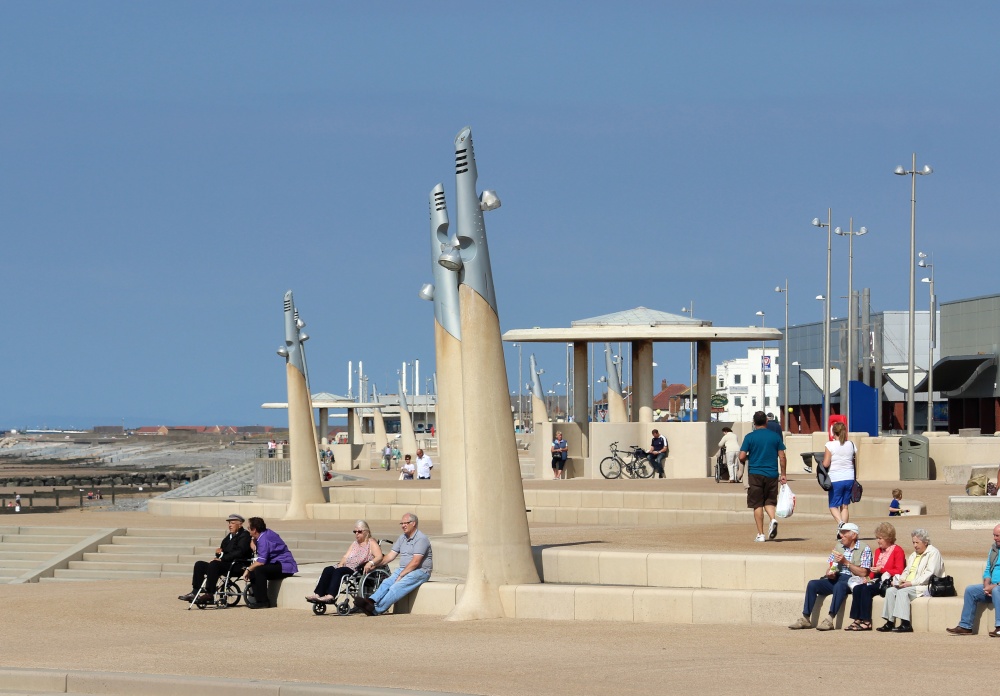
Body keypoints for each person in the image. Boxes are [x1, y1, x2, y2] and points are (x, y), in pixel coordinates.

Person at [789, 522, 872, 630]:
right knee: (812, 584)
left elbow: (864, 573)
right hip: (837, 578)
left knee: (840, 586)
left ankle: (829, 619)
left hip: (852, 581)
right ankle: (805, 618)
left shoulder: (864, 548)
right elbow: (832, 566)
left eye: (844, 533)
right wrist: (830, 573)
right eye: (840, 533)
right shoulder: (838, 546)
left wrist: (846, 562)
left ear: (854, 535)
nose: (841, 536)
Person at [354, 512, 432, 616]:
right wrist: (374, 564)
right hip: (405, 569)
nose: (403, 525)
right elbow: (390, 556)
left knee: (396, 586)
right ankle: (371, 601)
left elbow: (416, 562)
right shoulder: (402, 538)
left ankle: (376, 610)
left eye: (406, 523)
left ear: (413, 523)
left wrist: (401, 575)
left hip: (420, 571)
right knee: (387, 582)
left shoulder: (421, 539)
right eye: (402, 523)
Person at [877, 528, 945, 632]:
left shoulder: (933, 553)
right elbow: (906, 571)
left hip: (926, 586)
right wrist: (901, 581)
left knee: (903, 592)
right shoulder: (914, 555)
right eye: (913, 542)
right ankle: (890, 622)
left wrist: (911, 583)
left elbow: (930, 574)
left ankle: (905, 623)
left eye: (917, 542)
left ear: (925, 542)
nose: (915, 545)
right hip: (910, 585)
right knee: (890, 591)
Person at [178, 513, 252, 603]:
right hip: (225, 564)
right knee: (199, 564)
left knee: (214, 564)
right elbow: (222, 552)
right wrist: (218, 553)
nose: (230, 525)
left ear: (240, 524)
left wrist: (222, 558)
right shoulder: (228, 537)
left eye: (232, 523)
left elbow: (240, 552)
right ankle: (195, 591)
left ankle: (210, 593)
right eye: (229, 523)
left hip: (238, 565)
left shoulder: (244, 535)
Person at [846, 522, 906, 631]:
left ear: (888, 538)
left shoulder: (898, 550)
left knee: (866, 590)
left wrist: (882, 569)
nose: (878, 541)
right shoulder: (878, 551)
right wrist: (868, 578)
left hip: (888, 580)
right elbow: (873, 569)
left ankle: (867, 621)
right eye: (877, 538)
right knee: (858, 587)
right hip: (877, 578)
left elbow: (899, 570)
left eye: (880, 538)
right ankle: (857, 619)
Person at [305, 520, 383, 604]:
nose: (357, 533)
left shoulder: (371, 543)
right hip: (346, 566)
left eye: (359, 531)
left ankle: (331, 596)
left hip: (356, 569)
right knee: (328, 569)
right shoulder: (355, 543)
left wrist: (370, 563)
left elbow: (379, 556)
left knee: (339, 572)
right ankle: (318, 594)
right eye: (355, 531)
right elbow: (346, 556)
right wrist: (341, 564)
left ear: (366, 532)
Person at [738, 411, 787, 542]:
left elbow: (742, 456)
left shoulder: (749, 437)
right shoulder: (775, 437)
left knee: (757, 504)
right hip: (772, 473)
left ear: (754, 423)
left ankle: (760, 534)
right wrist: (783, 474)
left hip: (755, 473)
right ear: (766, 421)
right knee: (770, 501)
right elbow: (782, 456)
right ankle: (773, 519)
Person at [946, 523, 1000, 636]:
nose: (995, 538)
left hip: (997, 588)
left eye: (997, 536)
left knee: (996, 590)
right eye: (994, 535)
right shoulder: (994, 549)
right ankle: (965, 626)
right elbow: (988, 570)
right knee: (971, 590)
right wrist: (986, 586)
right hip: (992, 586)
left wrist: (993, 587)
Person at [243, 517, 298, 609]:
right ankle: (259, 600)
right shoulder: (264, 534)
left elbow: (261, 561)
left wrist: (248, 569)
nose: (248, 530)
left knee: (259, 570)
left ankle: (263, 602)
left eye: (249, 528)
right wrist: (253, 540)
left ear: (254, 529)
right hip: (275, 563)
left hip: (285, 566)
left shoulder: (264, 539)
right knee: (254, 571)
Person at [821, 421, 857, 529]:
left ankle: (840, 523)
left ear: (833, 433)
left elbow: (826, 463)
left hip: (836, 478)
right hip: (849, 477)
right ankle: (844, 530)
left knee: (833, 505)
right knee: (845, 506)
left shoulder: (830, 445)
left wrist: (820, 464)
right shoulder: (851, 444)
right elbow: (853, 462)